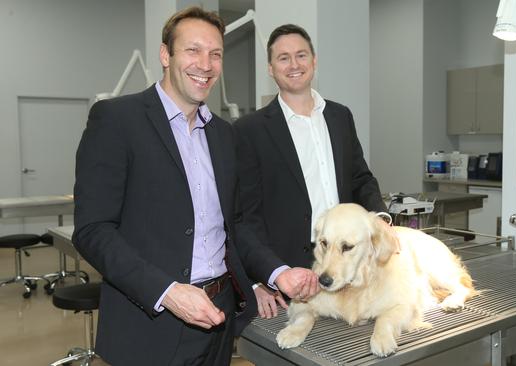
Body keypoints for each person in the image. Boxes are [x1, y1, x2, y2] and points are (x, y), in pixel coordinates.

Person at [73, 8, 312, 365]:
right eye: (193, 50)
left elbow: (237, 226)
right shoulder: (117, 120)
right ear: (165, 55)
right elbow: (93, 231)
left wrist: (278, 272)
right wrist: (167, 292)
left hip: (219, 316)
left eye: (215, 54)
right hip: (150, 322)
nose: (206, 63)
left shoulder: (224, 135)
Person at [234, 24, 388, 319]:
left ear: (314, 61)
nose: (294, 65)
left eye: (301, 55)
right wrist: (263, 277)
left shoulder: (340, 116)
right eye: (283, 58)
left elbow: (360, 178)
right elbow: (245, 216)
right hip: (288, 279)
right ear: (270, 68)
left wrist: (380, 221)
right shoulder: (249, 131)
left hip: (347, 271)